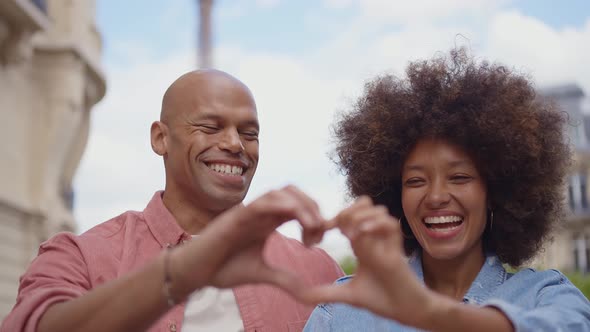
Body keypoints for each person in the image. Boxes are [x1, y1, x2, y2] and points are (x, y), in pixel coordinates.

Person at [1, 69, 343, 332]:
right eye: (210, 127)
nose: (235, 144)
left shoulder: (318, 270)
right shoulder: (81, 258)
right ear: (161, 138)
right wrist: (183, 271)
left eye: (249, 133)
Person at [303, 48, 590, 331]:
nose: (437, 197)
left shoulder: (545, 298)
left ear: (494, 193)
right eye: (416, 181)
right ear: (393, 198)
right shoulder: (341, 313)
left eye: (460, 177)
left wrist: (432, 312)